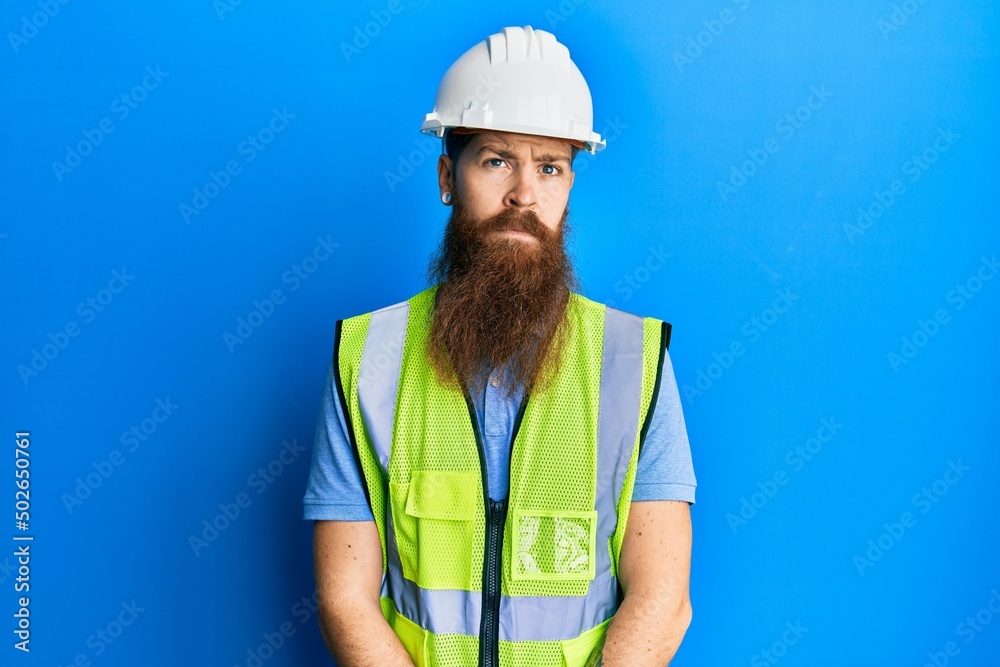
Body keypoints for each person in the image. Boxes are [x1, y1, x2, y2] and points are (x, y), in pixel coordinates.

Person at [303, 25, 696, 667]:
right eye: (495, 160)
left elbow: (662, 597)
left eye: (550, 167)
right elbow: (345, 599)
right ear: (446, 177)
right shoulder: (367, 358)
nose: (524, 194)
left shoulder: (634, 359)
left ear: (569, 185)